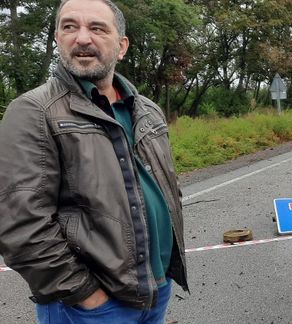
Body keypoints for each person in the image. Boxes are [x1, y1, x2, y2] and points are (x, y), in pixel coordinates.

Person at [0, 0, 188, 322]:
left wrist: (166, 272)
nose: (82, 38)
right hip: (91, 306)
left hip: (155, 289)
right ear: (58, 38)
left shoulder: (148, 110)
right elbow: (21, 225)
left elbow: (166, 190)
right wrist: (88, 297)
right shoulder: (34, 111)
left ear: (122, 46)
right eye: (69, 27)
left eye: (97, 28)